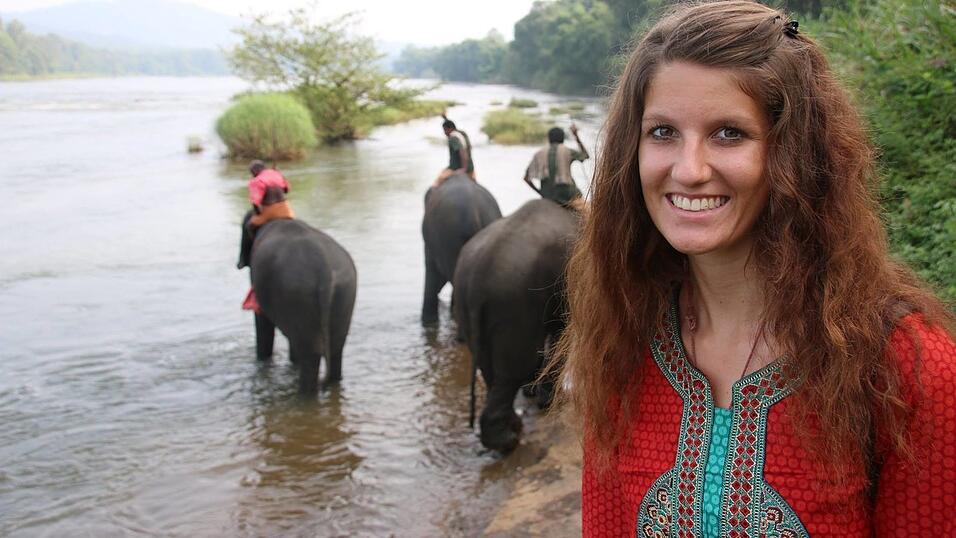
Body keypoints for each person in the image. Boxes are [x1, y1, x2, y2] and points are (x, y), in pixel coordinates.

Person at [549, 2, 956, 536]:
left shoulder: (909, 368)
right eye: (663, 132)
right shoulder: (621, 340)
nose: (689, 171)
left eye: (729, 134)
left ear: (794, 154)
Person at [236, 160, 294, 270]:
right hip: (285, 209)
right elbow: (287, 190)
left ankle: (245, 258)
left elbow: (255, 203)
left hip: (270, 211)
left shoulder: (256, 181)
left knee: (249, 225)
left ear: (254, 171)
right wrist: (279, 174)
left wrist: (258, 214)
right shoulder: (275, 173)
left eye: (252, 173)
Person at [523, 124, 589, 211]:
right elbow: (585, 155)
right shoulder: (567, 151)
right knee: (589, 215)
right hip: (568, 195)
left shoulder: (538, 154)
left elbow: (526, 178)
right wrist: (575, 135)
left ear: (549, 139)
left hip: (547, 196)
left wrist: (541, 193)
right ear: (562, 139)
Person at [433, 116, 475, 188]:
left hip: (455, 168)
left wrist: (463, 168)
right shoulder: (462, 134)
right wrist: (445, 118)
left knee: (437, 183)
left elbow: (462, 151)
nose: (445, 133)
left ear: (450, 129)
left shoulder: (453, 138)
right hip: (471, 168)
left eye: (445, 130)